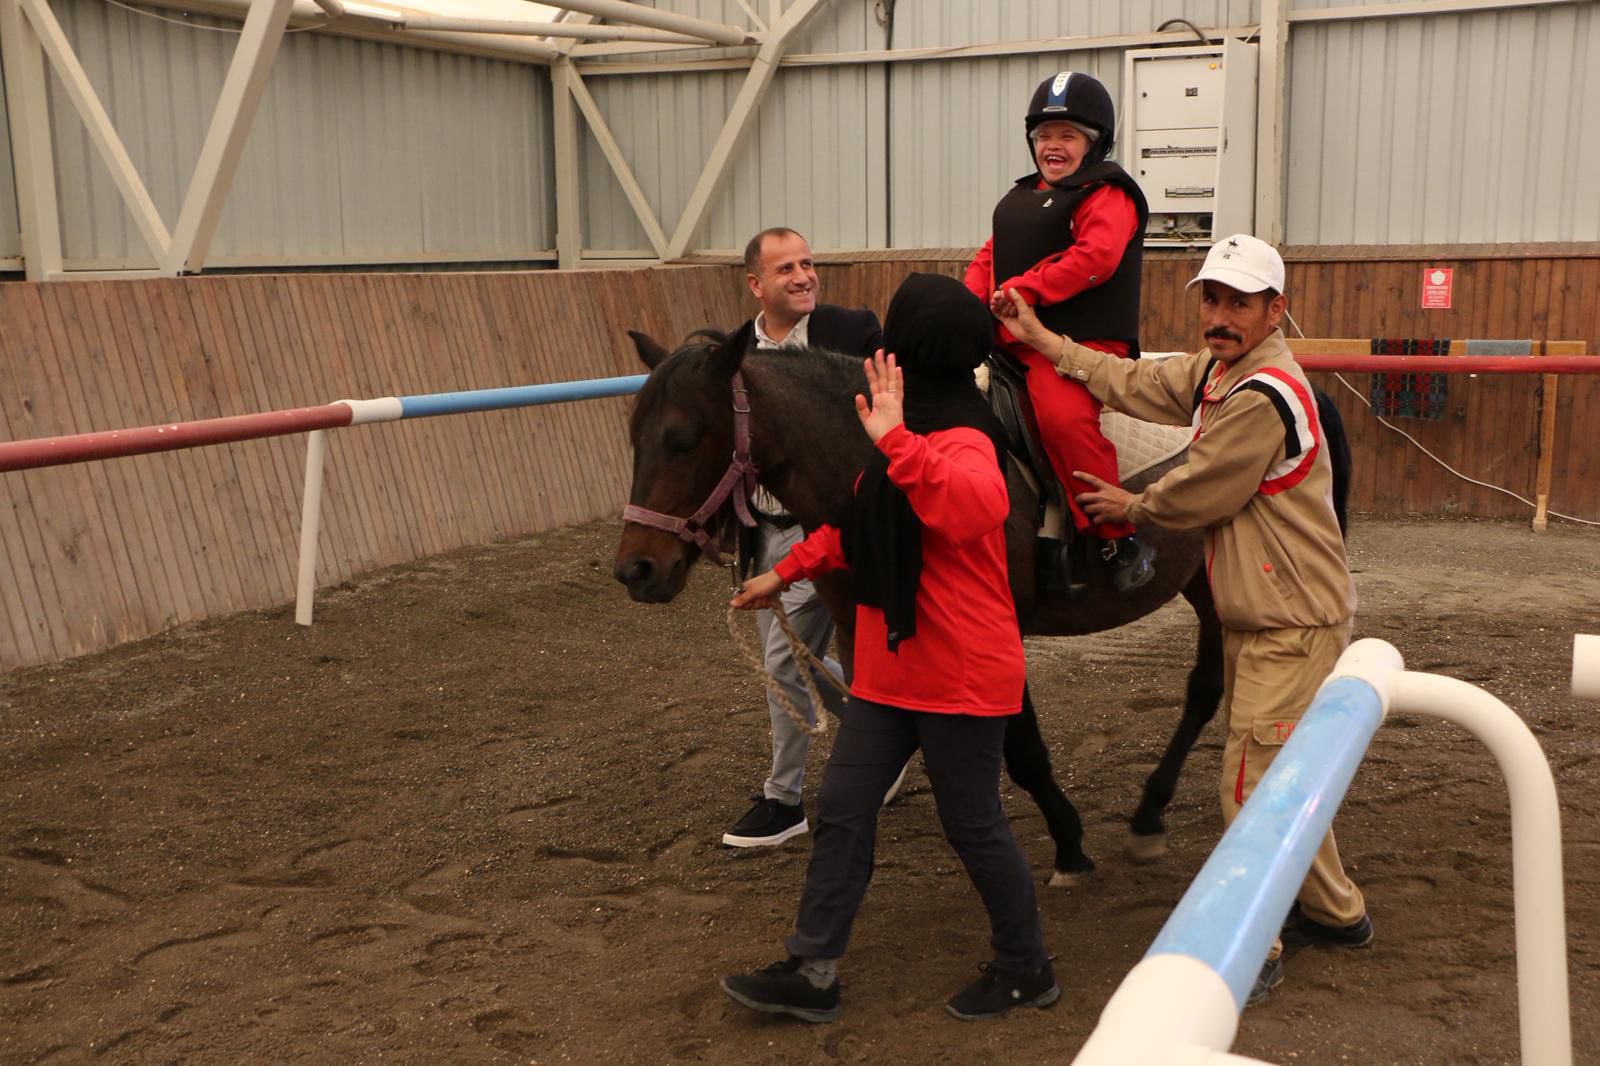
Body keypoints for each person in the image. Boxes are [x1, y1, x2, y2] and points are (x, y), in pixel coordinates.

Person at [998, 233, 1372, 1006]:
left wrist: (1132, 506)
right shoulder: (1220, 372)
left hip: (1286, 619)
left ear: (1276, 310)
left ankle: (1255, 941)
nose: (1220, 314)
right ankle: (1336, 911)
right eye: (1212, 298)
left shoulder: (1262, 395)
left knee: (1248, 784)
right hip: (1273, 612)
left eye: (1239, 302)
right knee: (1281, 777)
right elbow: (1133, 381)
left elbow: (1203, 488)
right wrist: (1042, 341)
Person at [719, 274, 1056, 1023]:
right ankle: (813, 969)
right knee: (841, 807)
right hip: (891, 670)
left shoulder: (965, 436)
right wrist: (783, 571)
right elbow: (859, 522)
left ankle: (1026, 964)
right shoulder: (900, 431)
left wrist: (897, 440)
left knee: (972, 825)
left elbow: (974, 510)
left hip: (961, 676)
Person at [721, 227, 885, 849]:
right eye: (786, 267)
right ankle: (883, 738)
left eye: (809, 263)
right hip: (769, 531)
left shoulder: (852, 332)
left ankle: (783, 798)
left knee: (782, 661)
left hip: (836, 528)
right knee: (796, 661)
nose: (804, 275)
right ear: (756, 285)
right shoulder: (740, 353)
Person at [964, 70, 1155, 594]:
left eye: (1068, 135)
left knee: (1062, 418)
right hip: (1012, 342)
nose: (1053, 146)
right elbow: (988, 259)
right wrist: (968, 303)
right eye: (1044, 136)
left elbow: (1095, 257)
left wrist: (1025, 288)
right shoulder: (1020, 199)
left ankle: (1116, 536)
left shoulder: (1108, 194)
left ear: (1093, 144)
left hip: (1077, 346)